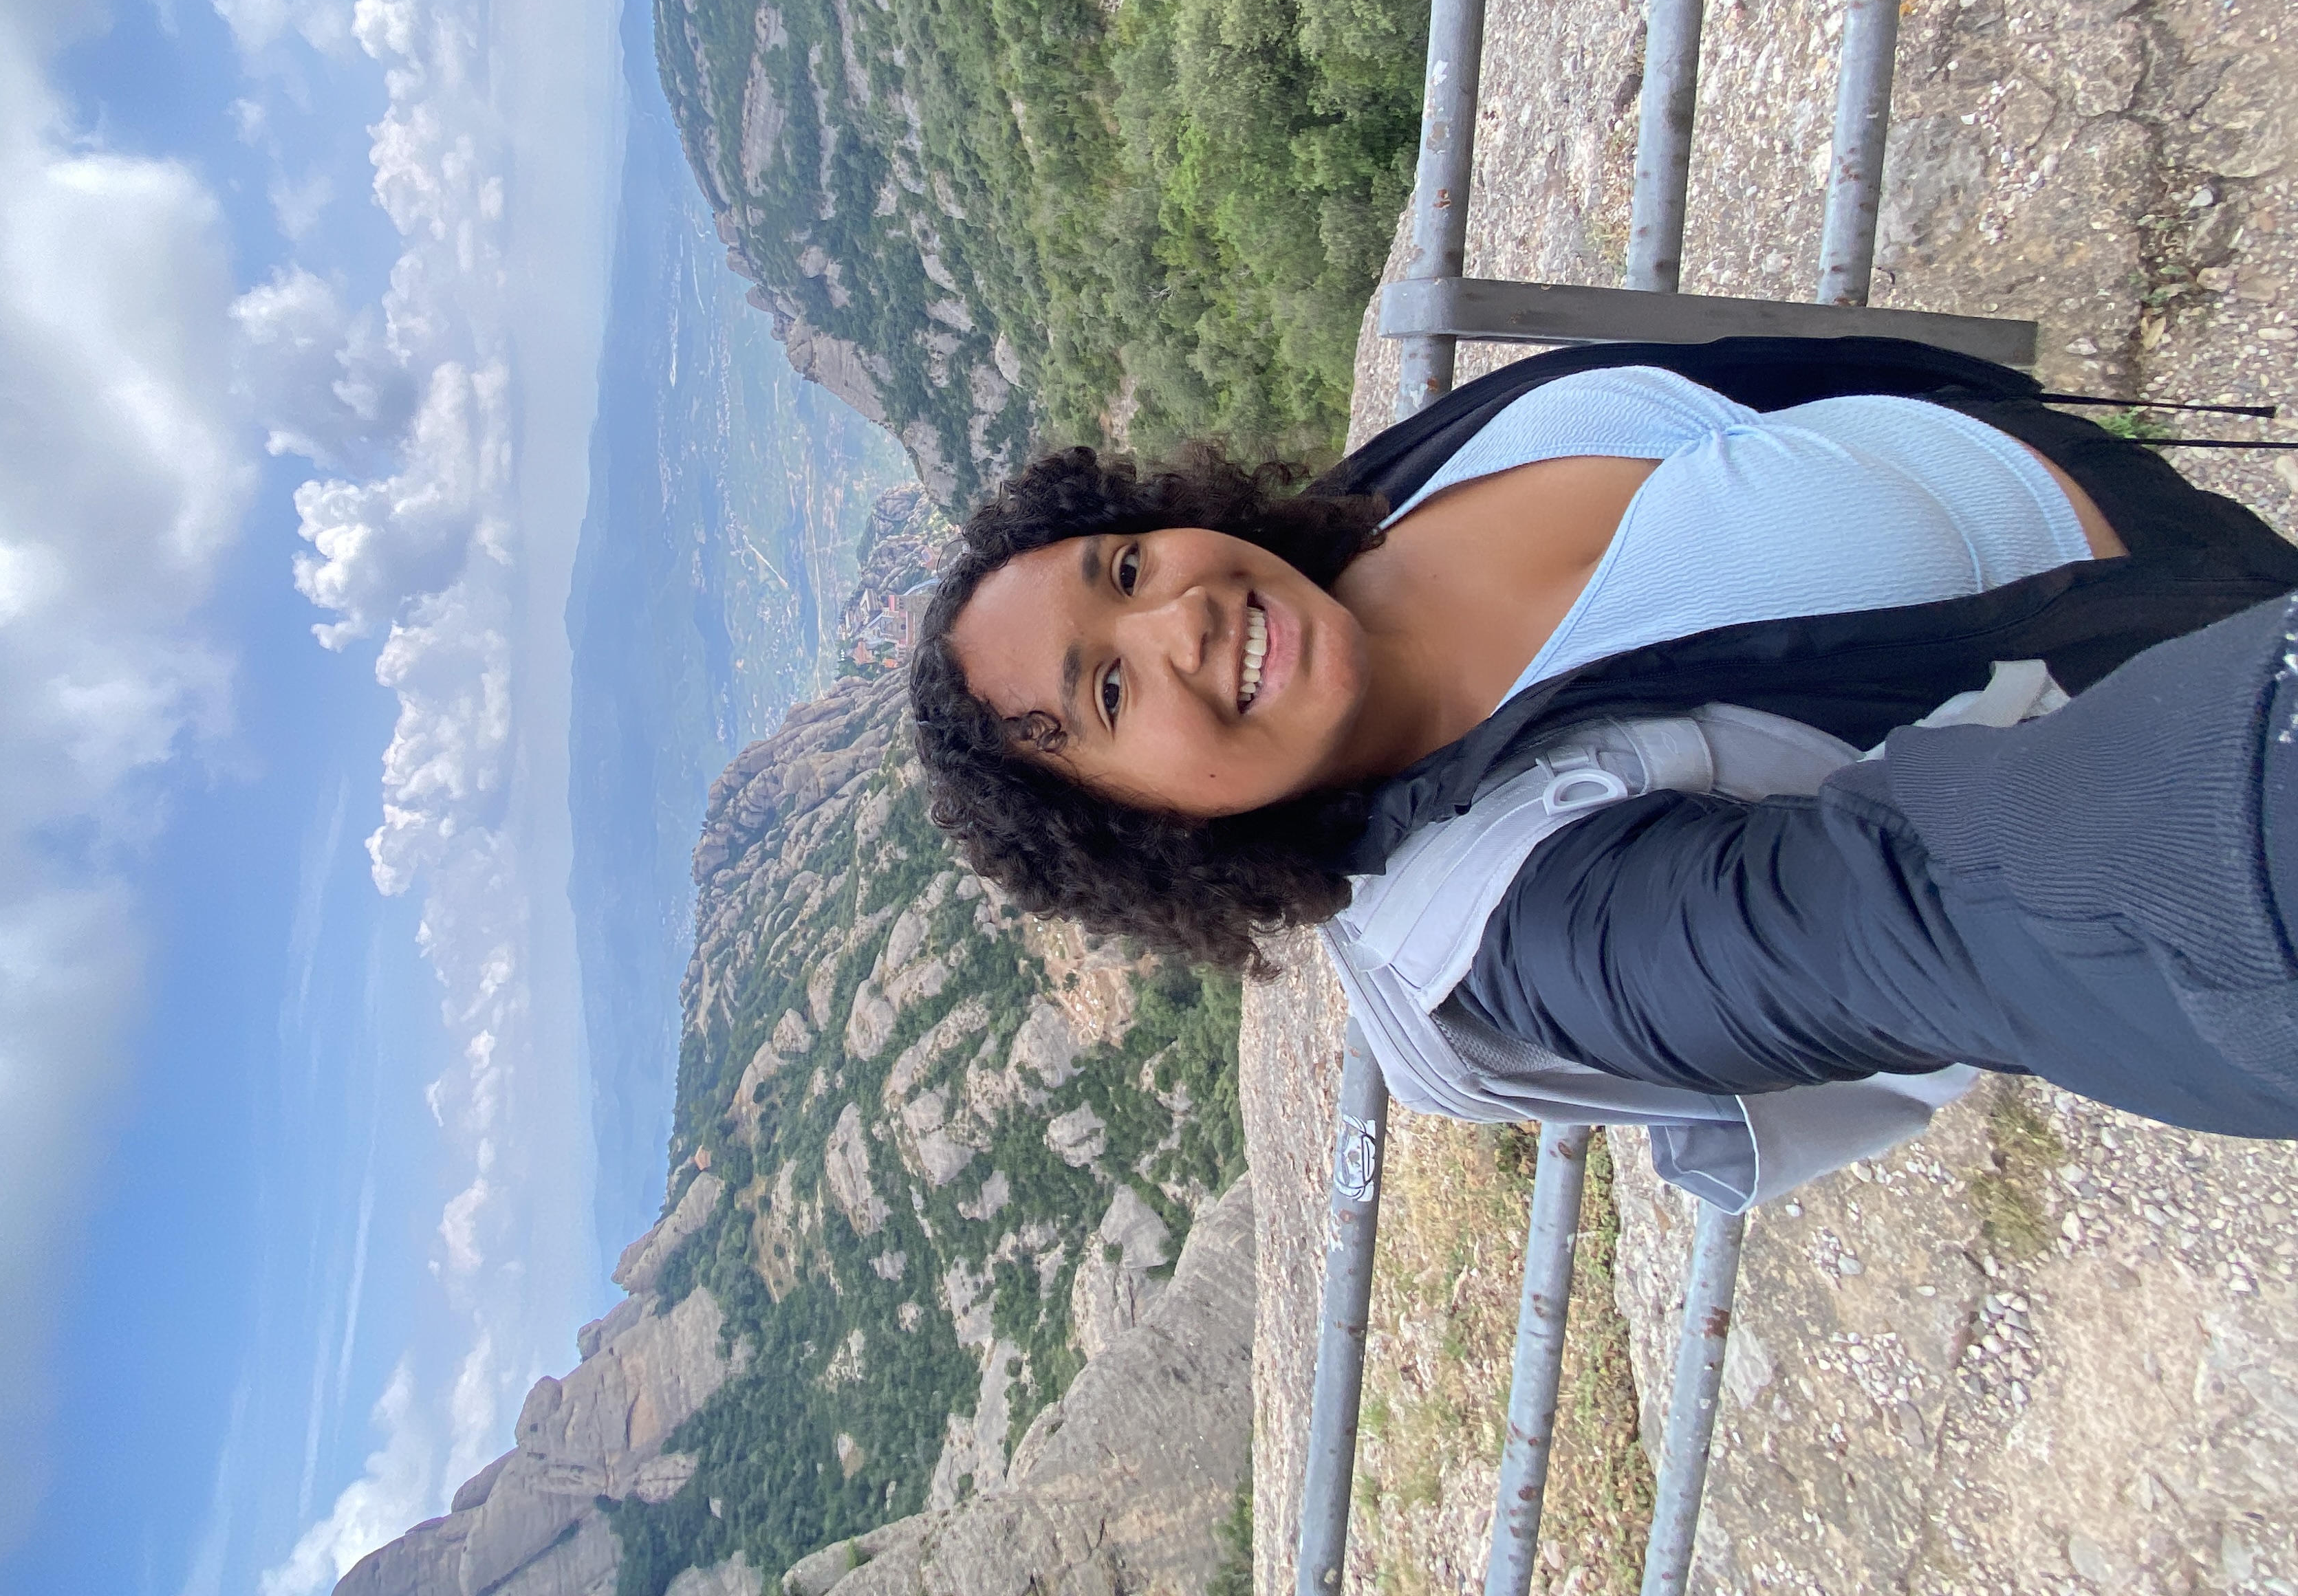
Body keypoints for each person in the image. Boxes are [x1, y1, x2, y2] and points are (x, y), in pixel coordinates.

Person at [909, 336, 2298, 1207]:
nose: (1178, 621)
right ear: (1143, 838)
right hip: (2213, 702)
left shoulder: (1370, 508)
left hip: (2165, 540)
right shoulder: (1526, 925)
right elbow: (1948, 926)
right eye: (1107, 692)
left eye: (1128, 568)